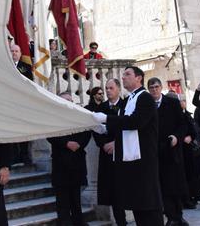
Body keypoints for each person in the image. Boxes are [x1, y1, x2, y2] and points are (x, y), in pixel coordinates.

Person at [93, 66, 162, 225]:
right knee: (138, 203)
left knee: (148, 203)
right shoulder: (130, 98)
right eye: (123, 75)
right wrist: (102, 128)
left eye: (127, 74)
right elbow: (123, 127)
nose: (123, 77)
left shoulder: (145, 97)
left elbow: (136, 122)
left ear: (139, 78)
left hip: (143, 158)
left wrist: (106, 119)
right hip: (132, 159)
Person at [147, 78, 189, 226]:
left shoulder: (172, 103)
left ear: (161, 87)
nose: (154, 90)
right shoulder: (146, 105)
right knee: (162, 185)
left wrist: (177, 137)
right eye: (151, 87)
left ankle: (178, 215)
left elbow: (183, 124)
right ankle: (171, 216)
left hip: (172, 150)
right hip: (155, 151)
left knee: (176, 185)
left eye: (157, 87)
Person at [48, 91, 92, 226]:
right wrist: (66, 143)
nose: (70, 102)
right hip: (61, 165)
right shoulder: (54, 118)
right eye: (66, 100)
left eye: (71, 100)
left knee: (76, 201)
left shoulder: (79, 115)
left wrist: (79, 144)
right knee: (62, 202)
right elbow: (50, 135)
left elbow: (87, 131)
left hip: (77, 164)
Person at [94, 78, 127, 226]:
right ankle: (120, 221)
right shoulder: (101, 108)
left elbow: (130, 128)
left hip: (124, 153)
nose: (108, 91)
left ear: (118, 89)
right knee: (112, 190)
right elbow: (96, 129)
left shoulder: (126, 106)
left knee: (125, 187)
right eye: (106, 88)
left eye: (111, 88)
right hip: (107, 154)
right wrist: (104, 144)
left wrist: (117, 143)